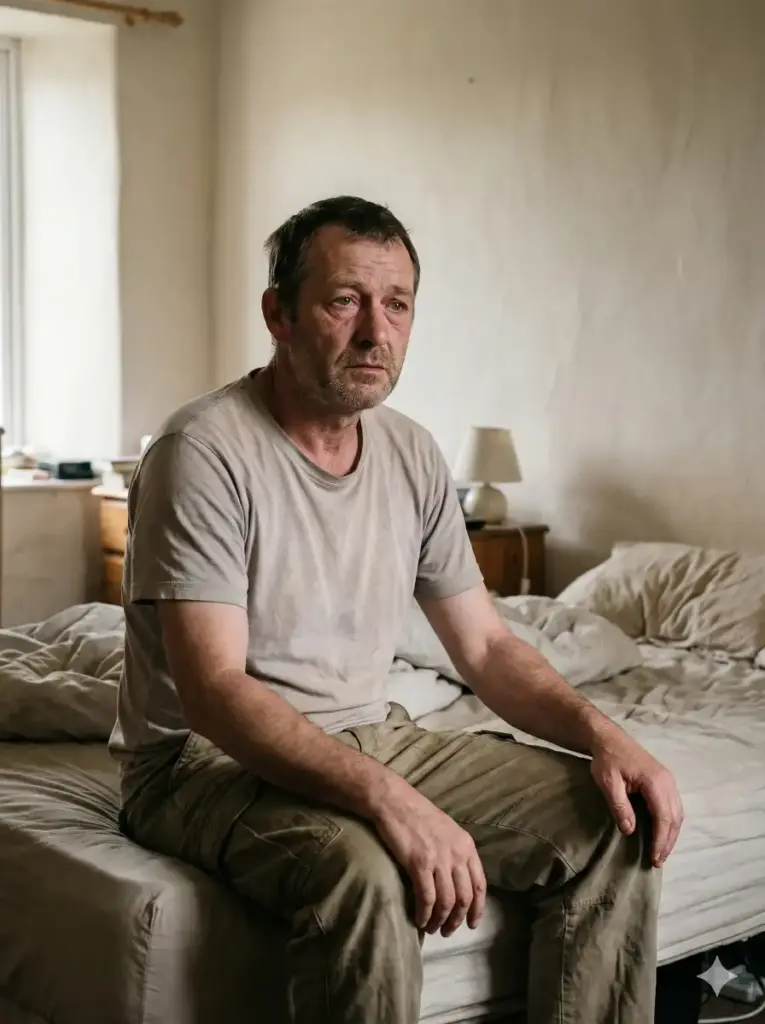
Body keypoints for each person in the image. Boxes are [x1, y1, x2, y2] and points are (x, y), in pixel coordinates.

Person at [110, 195, 684, 1024]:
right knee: (368, 871)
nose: (376, 333)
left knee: (612, 821)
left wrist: (607, 738)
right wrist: (392, 801)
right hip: (198, 765)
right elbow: (212, 692)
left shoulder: (412, 451)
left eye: (398, 304)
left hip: (366, 732)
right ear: (278, 313)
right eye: (344, 300)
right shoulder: (201, 450)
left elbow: (484, 648)